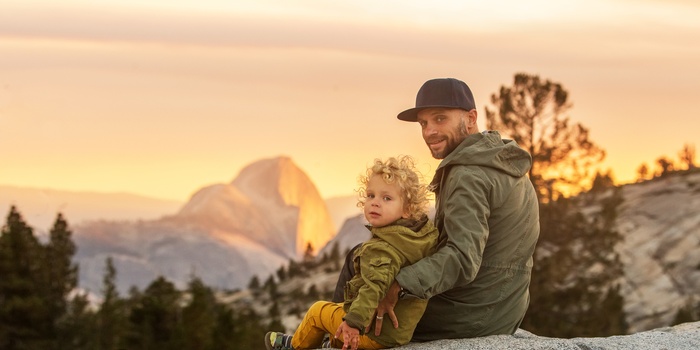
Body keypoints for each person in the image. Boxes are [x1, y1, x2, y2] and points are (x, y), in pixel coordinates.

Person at [333, 77, 540, 340]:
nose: (429, 131)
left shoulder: (469, 175)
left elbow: (463, 259)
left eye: (440, 119)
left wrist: (399, 285)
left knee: (362, 260)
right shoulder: (501, 161)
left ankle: (338, 339)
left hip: (469, 313)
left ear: (471, 118)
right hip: (504, 306)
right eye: (424, 123)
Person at [264, 156, 440, 350]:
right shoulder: (421, 236)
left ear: (407, 209)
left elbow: (374, 287)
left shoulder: (382, 248)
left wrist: (354, 323)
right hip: (400, 331)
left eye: (386, 198)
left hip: (373, 333)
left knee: (317, 311)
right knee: (339, 312)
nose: (375, 203)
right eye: (370, 195)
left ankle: (294, 345)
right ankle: (331, 341)